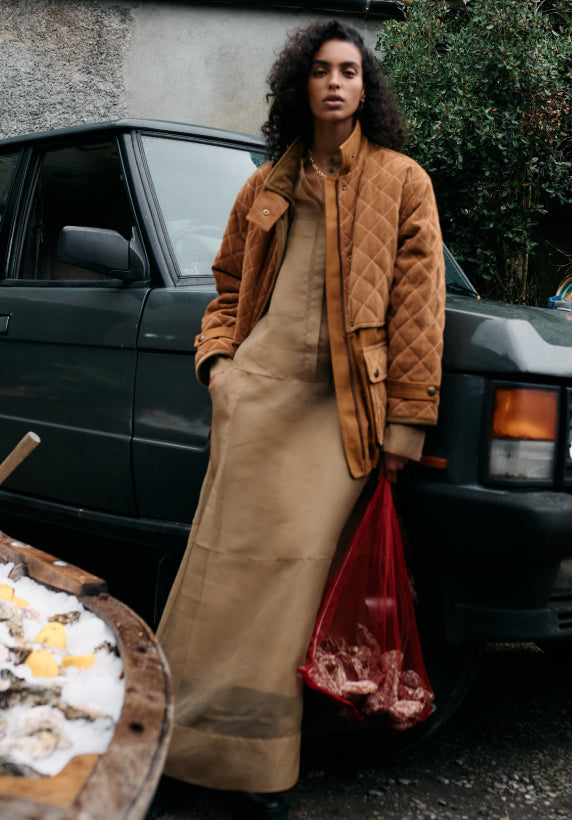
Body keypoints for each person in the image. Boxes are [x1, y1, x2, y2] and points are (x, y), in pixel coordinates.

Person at [156, 19, 445, 820]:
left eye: (349, 70)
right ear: (300, 84)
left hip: (341, 412)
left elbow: (420, 309)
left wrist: (405, 425)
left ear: (366, 88)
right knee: (215, 571)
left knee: (290, 580)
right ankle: (177, 749)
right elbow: (225, 289)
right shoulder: (265, 186)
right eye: (321, 70)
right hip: (256, 397)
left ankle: (252, 769)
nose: (335, 83)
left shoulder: (402, 181)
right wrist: (220, 369)